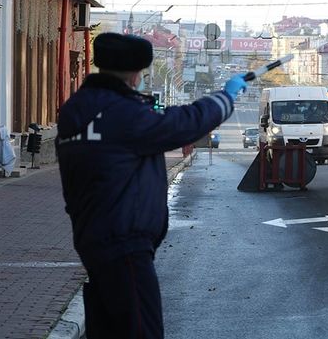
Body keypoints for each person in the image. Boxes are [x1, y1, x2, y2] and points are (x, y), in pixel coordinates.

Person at [55, 32, 248, 339]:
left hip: (92, 236)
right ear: (134, 74)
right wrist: (225, 97)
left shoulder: (77, 109)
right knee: (141, 331)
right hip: (125, 242)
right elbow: (183, 123)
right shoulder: (121, 114)